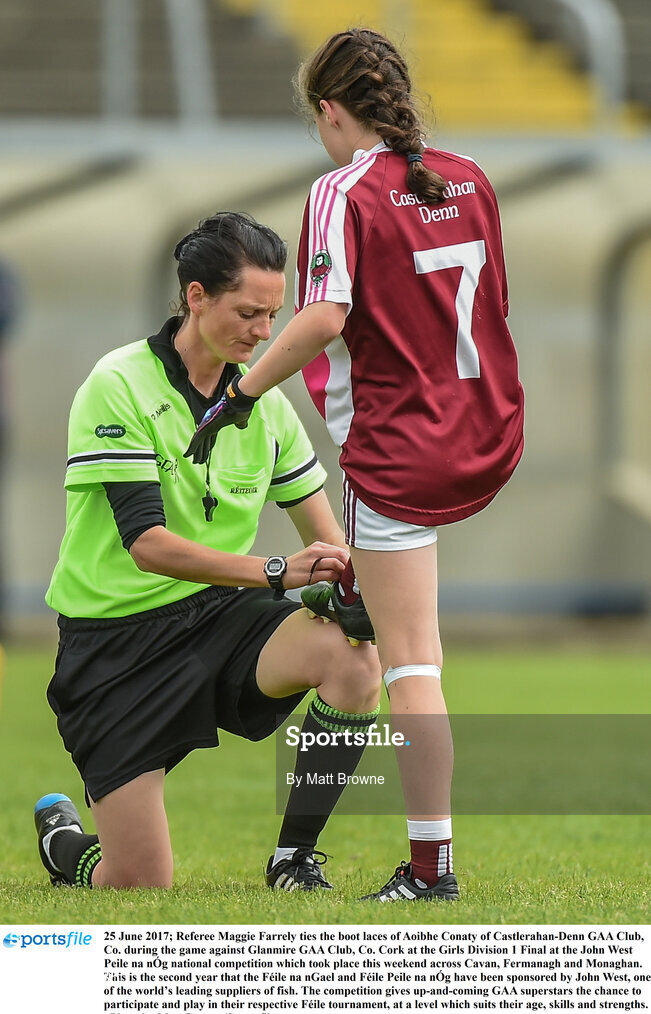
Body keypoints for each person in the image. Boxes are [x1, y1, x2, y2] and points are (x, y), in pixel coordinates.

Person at [185, 29, 524, 902]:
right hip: (485, 437)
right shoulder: (469, 178)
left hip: (401, 455)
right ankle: (358, 598)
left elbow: (325, 316)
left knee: (411, 666)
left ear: (331, 112)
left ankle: (429, 872)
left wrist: (239, 395)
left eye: (319, 124)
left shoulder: (340, 190)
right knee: (378, 617)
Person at [34, 211, 381, 892]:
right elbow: (147, 546)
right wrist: (275, 572)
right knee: (136, 882)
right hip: (113, 647)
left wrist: (362, 589)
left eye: (273, 314)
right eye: (248, 312)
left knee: (352, 658)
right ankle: (67, 846)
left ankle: (293, 861)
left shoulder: (266, 403)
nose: (263, 332)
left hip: (217, 618)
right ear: (195, 296)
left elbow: (328, 540)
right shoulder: (119, 384)